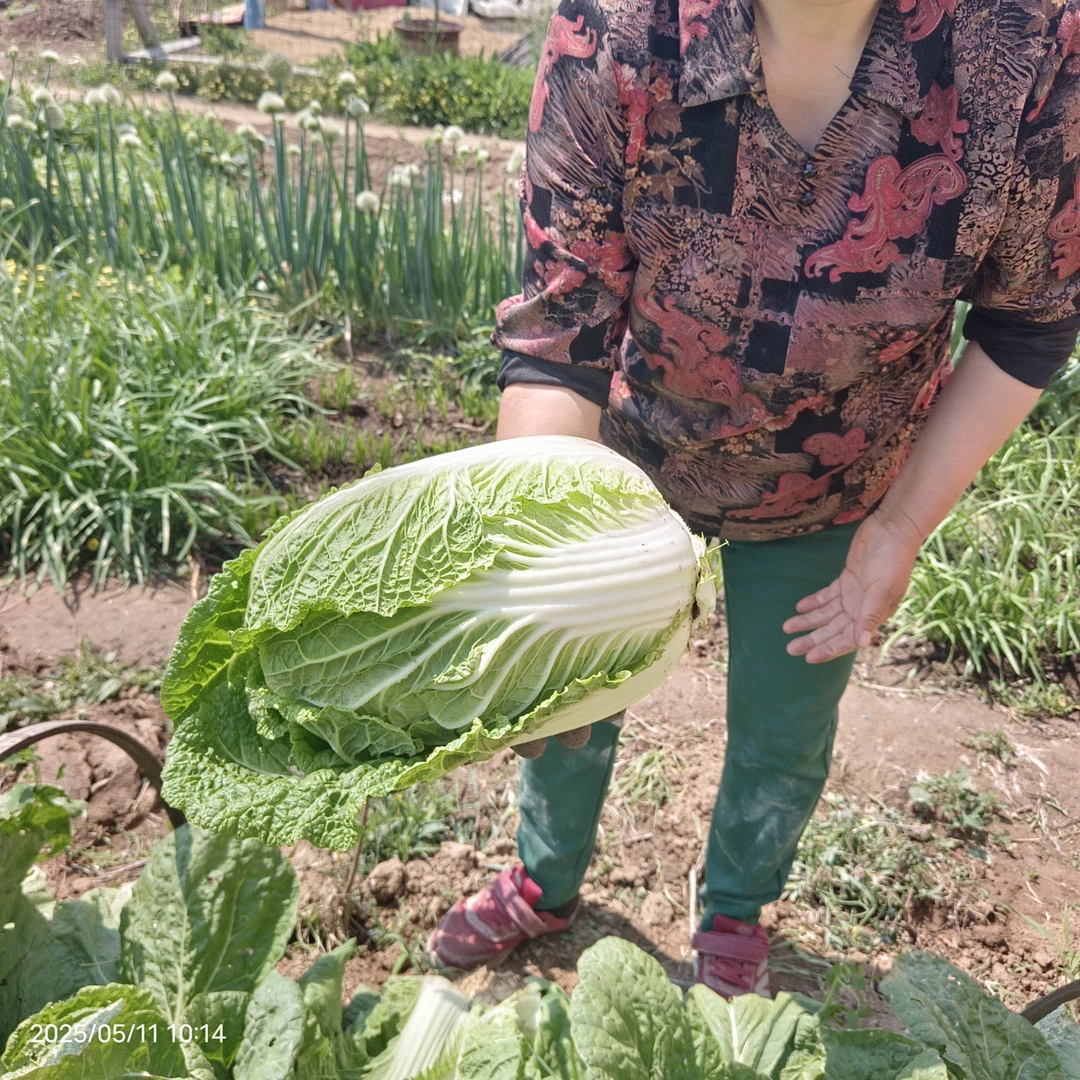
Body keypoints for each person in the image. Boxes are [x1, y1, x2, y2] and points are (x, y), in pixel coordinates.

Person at [427, 0, 1080, 997]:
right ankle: (544, 875)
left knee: (785, 724)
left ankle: (735, 910)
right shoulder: (616, 27)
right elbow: (559, 340)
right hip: (626, 455)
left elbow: (1030, 322)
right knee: (569, 694)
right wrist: (547, 577)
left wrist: (901, 526)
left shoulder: (1028, 39)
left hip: (838, 479)